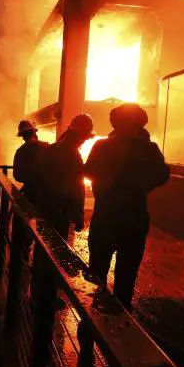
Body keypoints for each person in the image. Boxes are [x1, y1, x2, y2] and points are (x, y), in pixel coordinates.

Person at [84, 103, 170, 311]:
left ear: (117, 122)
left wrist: (106, 186)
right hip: (135, 218)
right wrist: (141, 187)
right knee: (127, 274)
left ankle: (92, 320)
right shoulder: (150, 149)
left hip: (105, 217)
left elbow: (88, 171)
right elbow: (162, 175)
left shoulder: (102, 146)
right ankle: (120, 319)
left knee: (96, 273)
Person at [39, 114, 95, 240]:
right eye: (85, 137)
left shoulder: (54, 147)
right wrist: (78, 214)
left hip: (48, 206)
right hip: (60, 210)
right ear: (81, 135)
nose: (85, 140)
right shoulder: (71, 154)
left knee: (44, 244)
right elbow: (76, 187)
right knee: (56, 248)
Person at [12, 120, 49, 204]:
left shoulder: (20, 151)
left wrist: (29, 179)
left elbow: (17, 175)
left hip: (30, 193)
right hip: (47, 193)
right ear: (34, 133)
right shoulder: (46, 146)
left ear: (22, 136)